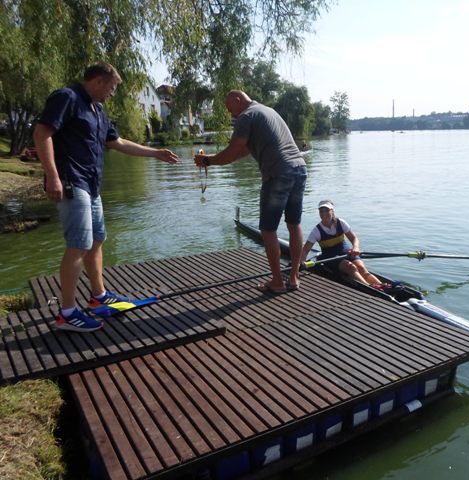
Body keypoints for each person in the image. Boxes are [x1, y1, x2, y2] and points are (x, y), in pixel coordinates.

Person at [33, 62, 178, 332]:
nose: (112, 93)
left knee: (97, 239)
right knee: (78, 245)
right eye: (111, 88)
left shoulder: (97, 110)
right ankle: (67, 313)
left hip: (91, 185)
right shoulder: (67, 97)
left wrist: (155, 153)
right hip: (71, 181)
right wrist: (52, 176)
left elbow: (117, 143)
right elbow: (42, 134)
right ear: (98, 81)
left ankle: (98, 296)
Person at [194, 90, 307, 294]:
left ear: (238, 100)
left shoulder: (246, 116)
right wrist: (210, 158)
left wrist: (207, 161)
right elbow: (242, 151)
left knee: (268, 229)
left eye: (230, 109)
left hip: (278, 172)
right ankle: (294, 278)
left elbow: (231, 152)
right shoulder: (267, 111)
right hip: (299, 168)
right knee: (294, 224)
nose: (231, 115)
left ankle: (277, 282)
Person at [301, 200, 382, 286]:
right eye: (321, 211)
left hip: (345, 252)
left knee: (361, 268)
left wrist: (355, 247)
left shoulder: (341, 223)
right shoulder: (316, 231)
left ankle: (383, 286)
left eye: (327, 210)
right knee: (351, 267)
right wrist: (301, 264)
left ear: (332, 211)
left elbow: (354, 238)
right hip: (330, 257)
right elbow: (305, 250)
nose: (324, 213)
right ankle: (369, 287)